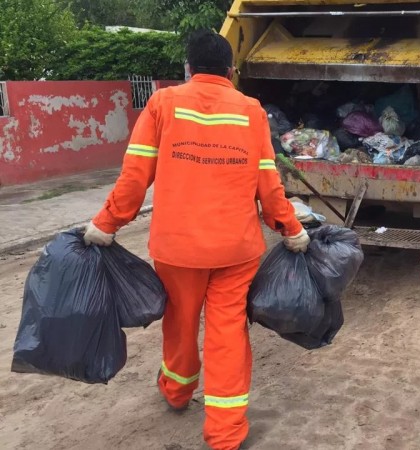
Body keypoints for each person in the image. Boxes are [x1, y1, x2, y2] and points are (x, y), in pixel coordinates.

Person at [83, 30, 309, 450]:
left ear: (188, 69)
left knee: (180, 325)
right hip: (235, 250)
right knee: (227, 334)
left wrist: (107, 223)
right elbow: (269, 185)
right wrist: (291, 229)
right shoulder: (251, 111)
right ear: (230, 71)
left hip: (177, 248)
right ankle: (225, 435)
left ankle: (177, 390)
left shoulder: (163, 104)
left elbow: (134, 177)